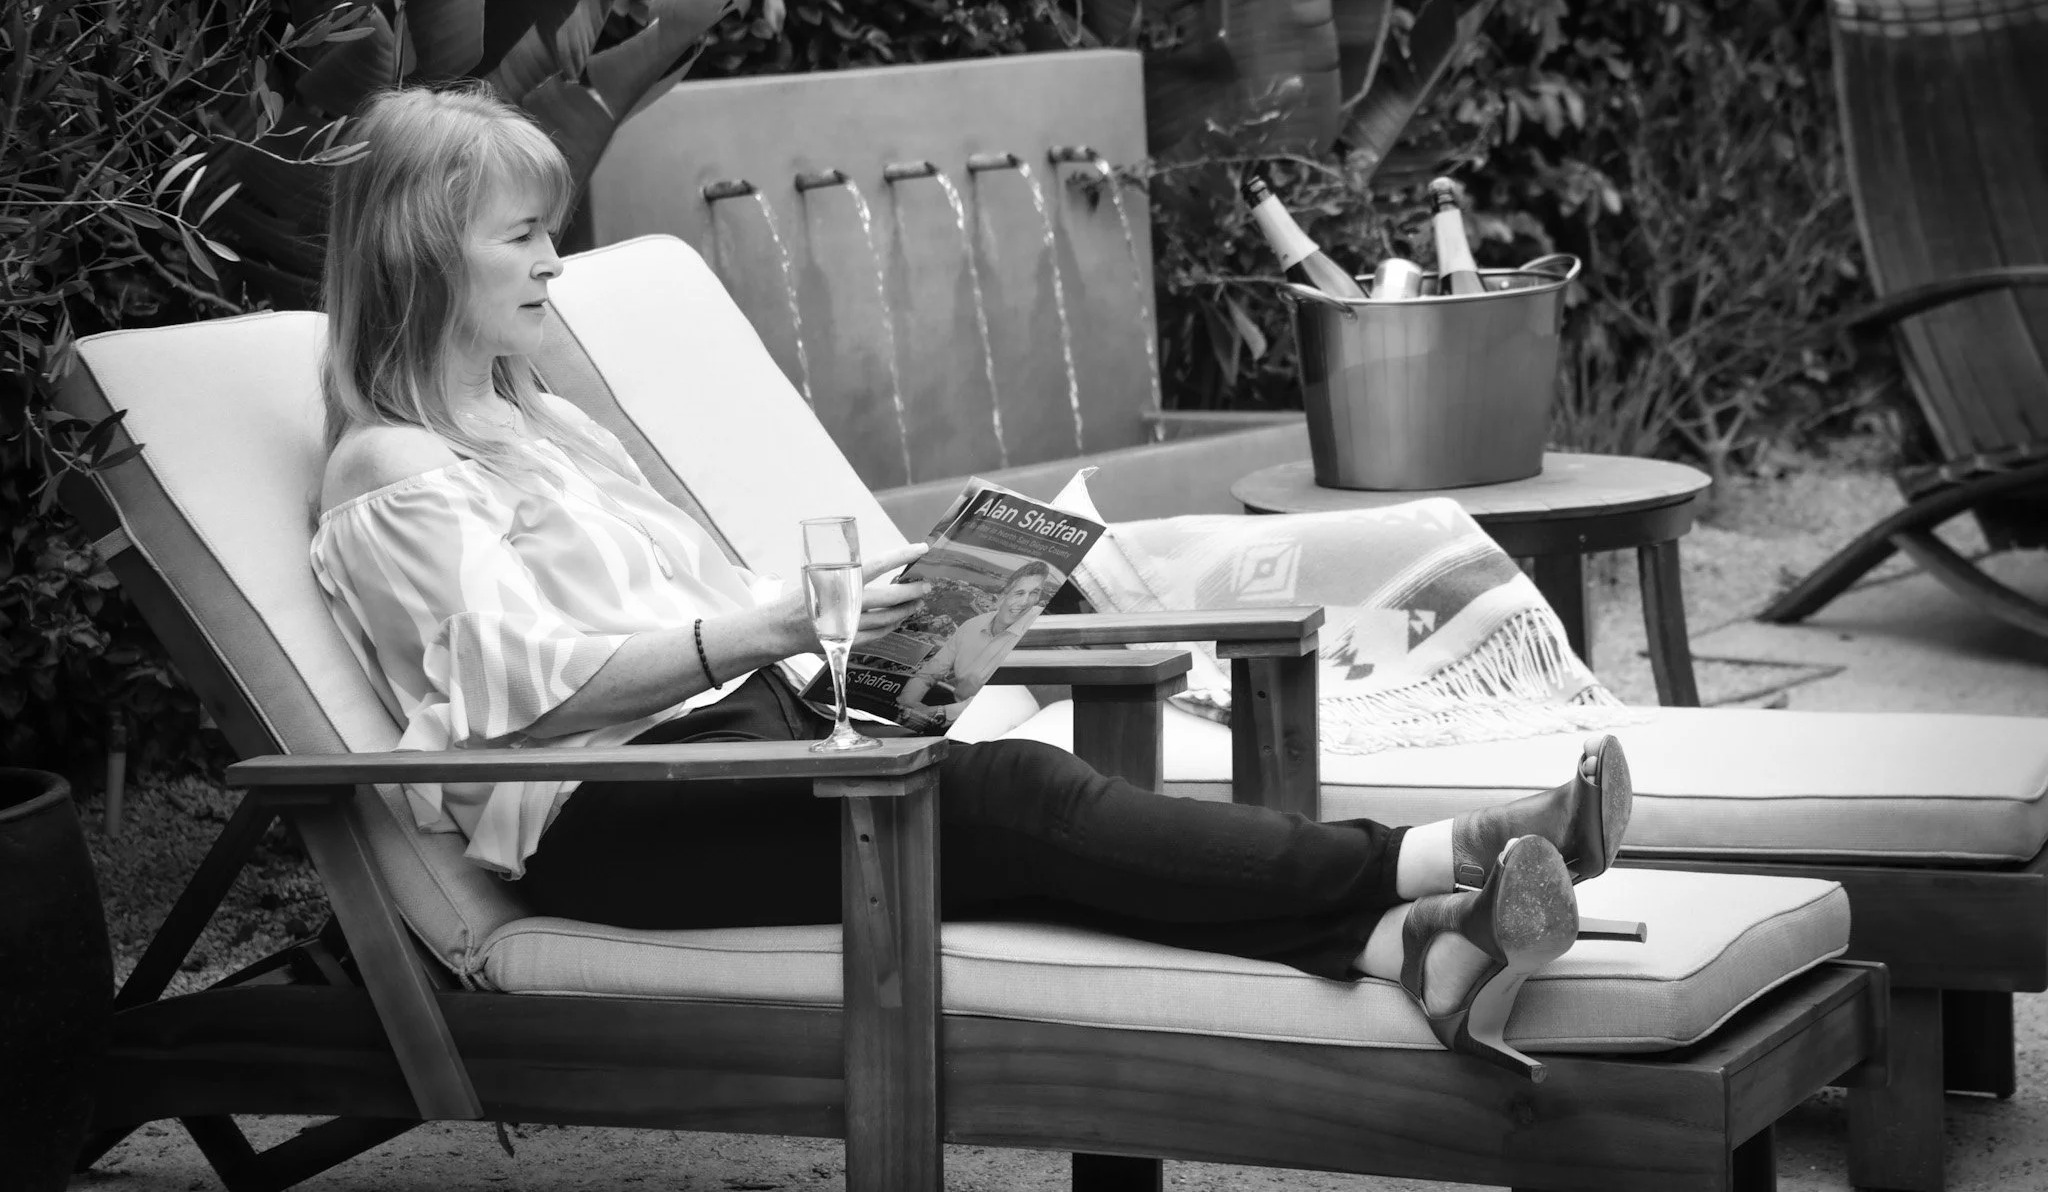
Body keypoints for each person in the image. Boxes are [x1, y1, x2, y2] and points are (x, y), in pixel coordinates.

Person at [308, 83, 1635, 1080]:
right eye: (523, 236)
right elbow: (526, 703)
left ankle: (1409, 947)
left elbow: (692, 606)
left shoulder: (540, 423)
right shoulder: (390, 471)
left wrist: (886, 602)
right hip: (615, 813)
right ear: (423, 255)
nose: (554, 261)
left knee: (1027, 791)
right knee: (1013, 798)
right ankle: (1428, 856)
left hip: (750, 732)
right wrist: (774, 623)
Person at [896, 559, 1050, 730]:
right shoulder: (971, 626)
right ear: (1003, 594)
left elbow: (997, 699)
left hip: (997, 722)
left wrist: (937, 713)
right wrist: (907, 705)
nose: (1025, 602)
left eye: (1034, 593)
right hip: (953, 712)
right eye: (1019, 593)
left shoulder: (1038, 631)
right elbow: (929, 673)